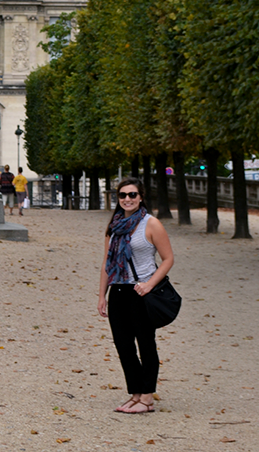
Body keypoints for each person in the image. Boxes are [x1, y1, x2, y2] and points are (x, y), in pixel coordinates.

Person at [98, 176, 175, 414]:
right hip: (118, 291)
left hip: (141, 291)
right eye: (123, 195)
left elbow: (168, 259)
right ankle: (135, 393)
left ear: (141, 197)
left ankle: (147, 397)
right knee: (124, 346)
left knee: (145, 343)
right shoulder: (114, 226)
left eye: (132, 194)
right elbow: (106, 263)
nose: (127, 199)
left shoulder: (151, 224)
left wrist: (149, 284)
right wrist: (102, 295)